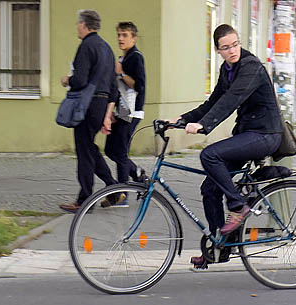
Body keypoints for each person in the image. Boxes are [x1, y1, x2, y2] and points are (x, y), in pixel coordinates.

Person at [168, 24, 283, 269]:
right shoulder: (227, 69)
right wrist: (182, 120)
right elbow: (213, 102)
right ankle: (218, 247)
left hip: (265, 134)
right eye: (225, 47)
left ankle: (238, 207)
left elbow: (231, 102)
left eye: (235, 44)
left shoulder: (250, 67)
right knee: (210, 188)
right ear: (218, 50)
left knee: (209, 155)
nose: (232, 50)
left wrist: (203, 125)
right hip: (247, 134)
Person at [59, 10, 120, 214]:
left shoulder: (86, 46)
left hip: (86, 105)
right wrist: (107, 115)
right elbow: (113, 87)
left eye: (78, 23)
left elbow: (80, 80)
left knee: (84, 152)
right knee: (90, 148)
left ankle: (85, 200)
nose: (77, 26)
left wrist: (67, 80)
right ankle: (112, 188)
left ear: (84, 25)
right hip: (101, 104)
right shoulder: (106, 48)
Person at [104, 21, 146, 189]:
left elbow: (139, 86)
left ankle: (122, 192)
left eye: (125, 35)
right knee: (110, 150)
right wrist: (112, 111)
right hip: (121, 111)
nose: (120, 38)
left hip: (131, 112)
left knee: (120, 152)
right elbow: (118, 88)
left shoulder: (136, 57)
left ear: (134, 38)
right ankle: (137, 174)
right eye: (119, 35)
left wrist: (121, 72)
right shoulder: (123, 58)